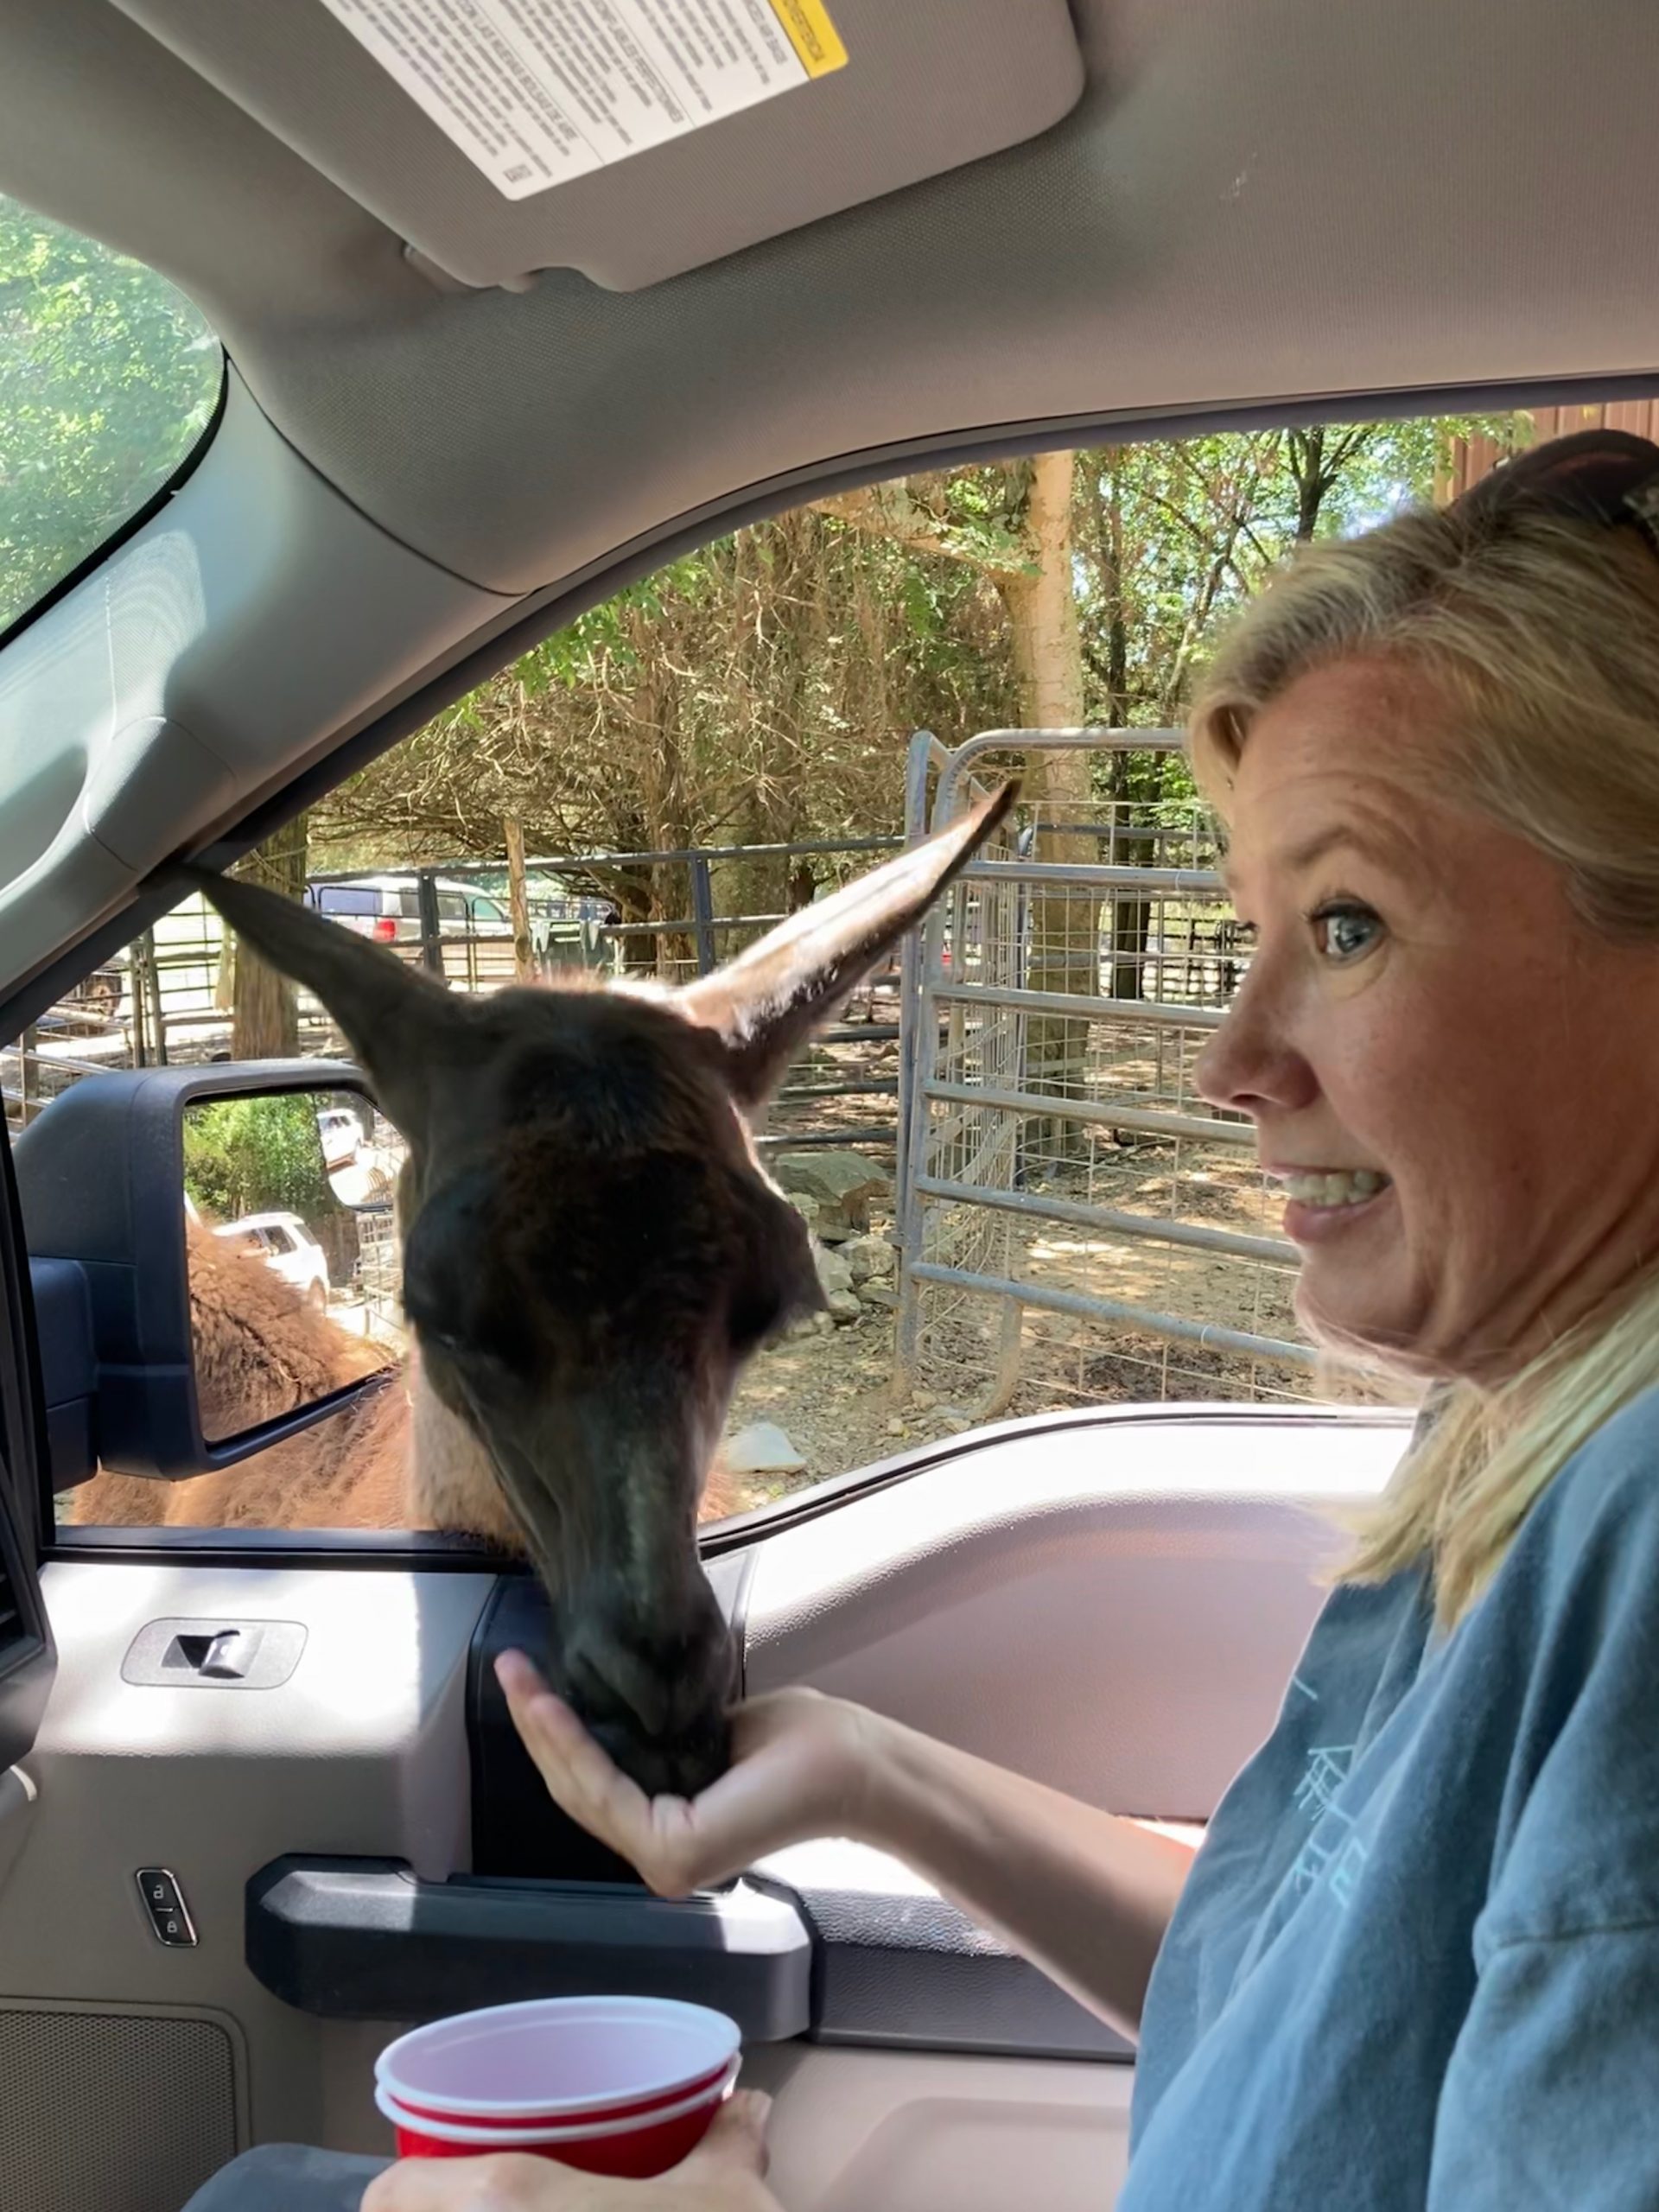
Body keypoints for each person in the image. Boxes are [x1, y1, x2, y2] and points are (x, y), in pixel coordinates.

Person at [187, 423, 1659, 2209]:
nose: (1225, 1060)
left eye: (1346, 923)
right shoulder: (1519, 1421)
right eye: (1251, 929)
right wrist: (875, 1774)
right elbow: (1313, 1992)